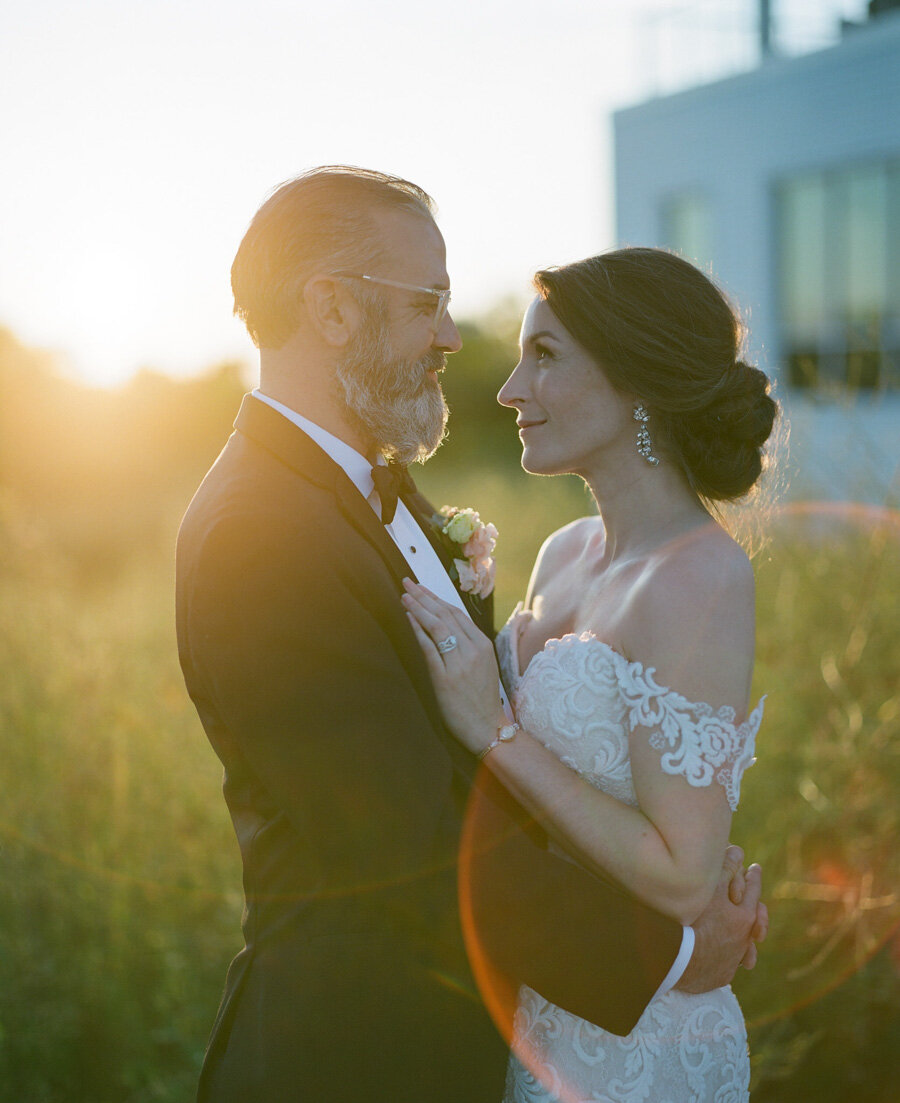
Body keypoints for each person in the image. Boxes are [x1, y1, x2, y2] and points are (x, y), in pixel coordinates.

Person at [175, 170, 767, 1103]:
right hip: (353, 1057)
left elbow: (487, 770)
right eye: (431, 303)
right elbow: (406, 844)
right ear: (330, 310)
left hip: (502, 1042)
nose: (455, 337)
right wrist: (669, 956)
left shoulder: (372, 492)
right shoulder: (261, 533)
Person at [402, 247, 777, 1102]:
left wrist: (493, 731)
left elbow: (686, 871)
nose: (509, 390)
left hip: (645, 1049)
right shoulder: (560, 552)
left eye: (546, 356)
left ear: (636, 379)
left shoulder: (701, 577)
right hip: (548, 1003)